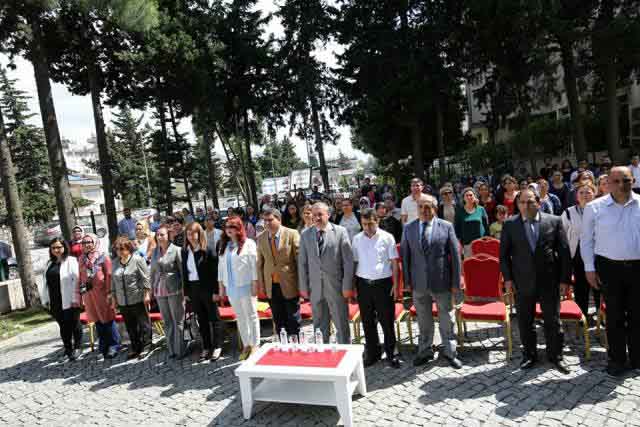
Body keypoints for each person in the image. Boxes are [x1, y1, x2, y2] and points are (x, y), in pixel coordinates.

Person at [500, 188, 571, 374]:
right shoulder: (510, 224)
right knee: (525, 321)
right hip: (522, 281)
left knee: (552, 320)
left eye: (530, 201)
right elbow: (504, 255)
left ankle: (556, 355)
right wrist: (508, 279)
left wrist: (564, 280)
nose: (526, 206)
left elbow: (564, 252)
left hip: (549, 280)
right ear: (517, 205)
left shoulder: (554, 221)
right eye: (522, 202)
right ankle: (530, 355)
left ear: (538, 203)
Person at [581, 166, 640, 377]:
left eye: (626, 180)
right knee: (614, 316)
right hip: (609, 268)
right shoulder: (594, 207)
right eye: (616, 181)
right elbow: (586, 241)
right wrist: (589, 269)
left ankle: (637, 358)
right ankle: (617, 360)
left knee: (637, 315)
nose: (621, 185)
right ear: (608, 183)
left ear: (633, 180)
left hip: (638, 268)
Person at [401, 195, 462, 369]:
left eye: (427, 207)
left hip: (442, 280)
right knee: (423, 319)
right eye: (420, 207)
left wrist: (455, 282)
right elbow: (405, 256)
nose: (424, 210)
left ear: (435, 208)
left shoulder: (446, 226)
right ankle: (425, 350)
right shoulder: (409, 228)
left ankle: (450, 351)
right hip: (418, 282)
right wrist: (407, 281)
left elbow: (455, 256)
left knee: (446, 318)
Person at [298, 202, 355, 344]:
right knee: (319, 326)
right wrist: (303, 287)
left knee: (341, 325)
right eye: (314, 215)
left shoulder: (340, 232)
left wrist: (347, 286)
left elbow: (348, 262)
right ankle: (323, 352)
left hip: (336, 287)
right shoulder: (305, 235)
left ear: (328, 214)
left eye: (320, 214)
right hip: (315, 289)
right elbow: (302, 263)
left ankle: (344, 351)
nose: (317, 218)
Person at [352, 208, 400, 368]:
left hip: (383, 284)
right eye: (364, 224)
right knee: (367, 321)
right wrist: (353, 285)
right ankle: (373, 353)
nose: (367, 227)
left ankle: (392, 353)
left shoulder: (387, 237)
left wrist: (396, 285)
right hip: (363, 284)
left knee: (387, 321)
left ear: (377, 221)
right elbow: (355, 262)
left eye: (370, 223)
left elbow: (394, 263)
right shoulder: (357, 239)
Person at [218, 217, 260, 360]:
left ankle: (255, 345)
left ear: (239, 228)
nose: (229, 229)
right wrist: (221, 287)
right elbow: (220, 268)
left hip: (246, 286)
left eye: (232, 226)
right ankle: (246, 345)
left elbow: (254, 265)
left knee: (251, 316)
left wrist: (255, 284)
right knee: (240, 317)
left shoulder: (249, 243)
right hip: (231, 288)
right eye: (227, 227)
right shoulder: (224, 245)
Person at [257, 208, 301, 337]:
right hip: (271, 286)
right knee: (278, 320)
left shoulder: (292, 234)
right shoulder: (261, 238)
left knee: (293, 319)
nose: (267, 223)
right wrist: (262, 285)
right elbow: (260, 264)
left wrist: (302, 284)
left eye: (270, 220)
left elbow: (299, 261)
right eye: (265, 221)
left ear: (279, 219)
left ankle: (295, 345)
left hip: (289, 284)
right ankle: (283, 345)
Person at [182, 222, 223, 361]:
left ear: (199, 234)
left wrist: (216, 291)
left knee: (214, 318)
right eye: (188, 234)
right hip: (193, 289)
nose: (190, 236)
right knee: (201, 319)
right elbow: (184, 273)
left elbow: (215, 273)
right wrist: (186, 292)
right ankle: (206, 347)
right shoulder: (185, 251)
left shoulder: (208, 250)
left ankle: (217, 346)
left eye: (193, 233)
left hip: (207, 288)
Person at [560, 182, 600, 325]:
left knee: (598, 286)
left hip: (598, 253)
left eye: (588, 192)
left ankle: (600, 316)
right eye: (581, 192)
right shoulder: (569, 212)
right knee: (581, 287)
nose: (585, 195)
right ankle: (582, 316)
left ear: (594, 194)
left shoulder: (601, 210)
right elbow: (562, 234)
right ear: (576, 196)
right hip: (577, 254)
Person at [79, 233, 120, 359]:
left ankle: (114, 345)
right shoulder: (81, 259)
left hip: (102, 293)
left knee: (107, 318)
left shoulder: (102, 256)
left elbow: (109, 275)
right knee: (97, 320)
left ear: (95, 242)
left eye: (89, 242)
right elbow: (81, 277)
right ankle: (103, 346)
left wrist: (109, 292)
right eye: (84, 242)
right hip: (89, 294)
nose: (86, 245)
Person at [39, 238, 82, 361]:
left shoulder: (71, 261)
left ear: (64, 247)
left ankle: (77, 347)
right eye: (53, 248)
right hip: (55, 300)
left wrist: (75, 298)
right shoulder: (49, 263)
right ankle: (68, 349)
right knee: (63, 326)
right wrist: (45, 299)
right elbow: (45, 283)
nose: (56, 250)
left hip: (70, 299)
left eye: (59, 247)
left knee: (74, 323)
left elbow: (76, 280)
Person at [110, 236, 152, 360]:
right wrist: (114, 299)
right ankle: (135, 347)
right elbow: (113, 282)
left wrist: (147, 294)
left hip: (137, 297)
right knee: (130, 326)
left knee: (143, 324)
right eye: (117, 249)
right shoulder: (115, 263)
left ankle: (147, 345)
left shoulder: (137, 259)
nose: (119, 252)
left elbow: (146, 278)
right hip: (123, 300)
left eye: (122, 249)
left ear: (129, 249)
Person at [150, 225, 185, 359]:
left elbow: (182, 272)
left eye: (162, 235)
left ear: (168, 236)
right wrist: (152, 288)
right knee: (167, 321)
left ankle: (180, 349)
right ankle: (171, 350)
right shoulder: (155, 252)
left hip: (174, 289)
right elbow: (152, 271)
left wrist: (184, 290)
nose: (159, 237)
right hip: (159, 290)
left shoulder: (176, 250)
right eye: (157, 235)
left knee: (177, 320)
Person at [454, 188, 489, 258]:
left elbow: (486, 227)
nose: (469, 197)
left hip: (481, 243)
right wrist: (459, 245)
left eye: (471, 195)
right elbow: (457, 230)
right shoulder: (459, 211)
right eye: (466, 195)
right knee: (469, 264)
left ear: (475, 196)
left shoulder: (481, 209)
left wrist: (486, 241)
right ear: (463, 198)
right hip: (467, 245)